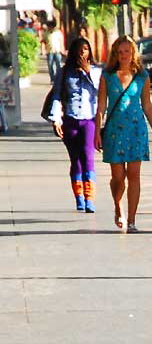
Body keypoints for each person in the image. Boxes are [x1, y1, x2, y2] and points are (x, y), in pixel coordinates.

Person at [95, 35, 152, 233]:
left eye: (127, 51)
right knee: (118, 177)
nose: (123, 55)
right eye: (120, 52)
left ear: (133, 53)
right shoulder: (107, 76)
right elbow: (101, 106)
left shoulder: (142, 76)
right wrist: (97, 132)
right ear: (115, 54)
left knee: (134, 175)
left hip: (136, 130)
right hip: (114, 131)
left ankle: (131, 220)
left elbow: (148, 106)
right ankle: (118, 206)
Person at [47, 37, 101, 212]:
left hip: (89, 120)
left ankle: (90, 198)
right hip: (70, 119)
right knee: (76, 160)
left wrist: (88, 72)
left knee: (88, 156)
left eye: (85, 49)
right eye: (79, 49)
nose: (82, 52)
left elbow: (101, 95)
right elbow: (57, 95)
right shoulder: (64, 72)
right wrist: (56, 119)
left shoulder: (96, 71)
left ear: (90, 52)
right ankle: (79, 197)